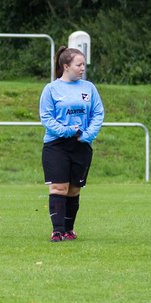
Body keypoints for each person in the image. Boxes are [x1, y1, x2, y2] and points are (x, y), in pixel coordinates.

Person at [38, 47, 104, 241]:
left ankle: (69, 229)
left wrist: (88, 134)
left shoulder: (89, 88)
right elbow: (46, 117)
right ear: (66, 66)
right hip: (56, 145)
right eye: (79, 65)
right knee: (59, 187)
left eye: (84, 64)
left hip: (81, 144)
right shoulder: (51, 89)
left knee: (74, 189)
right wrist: (67, 131)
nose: (82, 68)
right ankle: (57, 231)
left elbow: (98, 113)